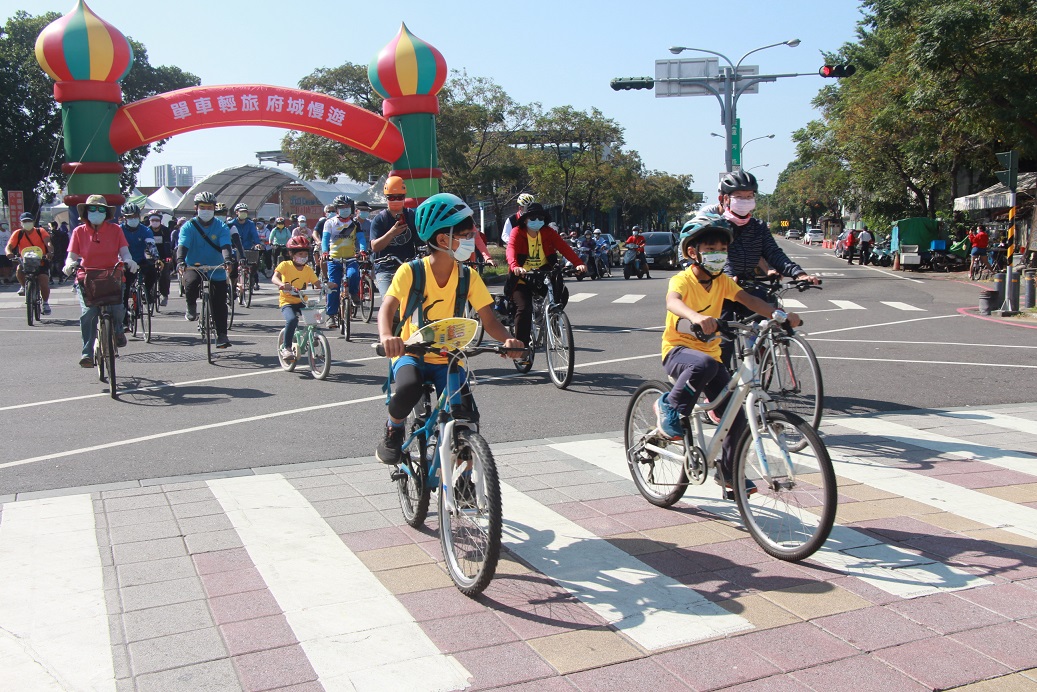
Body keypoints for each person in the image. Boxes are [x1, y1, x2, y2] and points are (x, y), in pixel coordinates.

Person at [655, 213, 802, 498]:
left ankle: (728, 471)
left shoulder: (722, 281)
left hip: (710, 358)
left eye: (722, 250)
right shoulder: (682, 280)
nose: (718, 256)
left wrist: (779, 315)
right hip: (678, 351)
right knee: (706, 363)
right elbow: (673, 302)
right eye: (710, 251)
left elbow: (749, 300)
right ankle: (669, 406)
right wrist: (696, 317)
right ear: (692, 252)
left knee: (736, 418)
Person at [375, 193, 524, 465]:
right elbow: (387, 309)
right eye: (466, 234)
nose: (472, 240)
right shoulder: (410, 272)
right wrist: (387, 336)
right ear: (443, 240)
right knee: (408, 387)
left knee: (465, 416)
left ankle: (464, 480)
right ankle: (393, 428)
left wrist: (509, 340)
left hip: (450, 357)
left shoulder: (469, 276)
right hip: (411, 353)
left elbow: (489, 320)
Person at [702, 170, 817, 368]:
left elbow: (774, 253)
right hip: (722, 287)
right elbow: (722, 256)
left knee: (772, 318)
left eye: (749, 196)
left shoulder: (758, 227)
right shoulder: (716, 226)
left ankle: (760, 360)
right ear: (724, 199)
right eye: (739, 197)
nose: (745, 201)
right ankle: (718, 386)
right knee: (723, 340)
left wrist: (799, 273)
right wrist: (728, 276)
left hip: (748, 284)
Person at [505, 202, 585, 364]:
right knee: (524, 308)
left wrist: (578, 263)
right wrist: (515, 267)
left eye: (540, 218)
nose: (537, 221)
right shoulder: (517, 232)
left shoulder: (548, 232)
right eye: (533, 218)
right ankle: (521, 350)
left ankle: (553, 318)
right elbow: (511, 250)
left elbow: (564, 248)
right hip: (522, 278)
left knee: (562, 293)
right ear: (525, 220)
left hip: (543, 275)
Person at [63, 195, 136, 366]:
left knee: (118, 308)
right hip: (87, 278)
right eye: (93, 209)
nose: (97, 212)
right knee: (89, 313)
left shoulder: (116, 230)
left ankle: (118, 330)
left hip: (112, 276)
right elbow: (71, 256)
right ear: (86, 212)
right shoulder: (78, 232)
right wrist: (69, 264)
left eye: (101, 209)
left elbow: (125, 252)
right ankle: (87, 352)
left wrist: (129, 260)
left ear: (107, 212)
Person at [177, 191, 234, 349]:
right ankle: (191, 306)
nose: (206, 210)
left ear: (214, 208)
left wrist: (227, 260)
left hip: (216, 267)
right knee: (191, 283)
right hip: (193, 266)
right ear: (196, 208)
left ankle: (222, 335)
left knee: (220, 302)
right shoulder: (188, 226)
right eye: (203, 207)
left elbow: (225, 246)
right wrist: (180, 261)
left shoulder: (221, 226)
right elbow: (183, 245)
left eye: (210, 207)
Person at [273, 236, 321, 363]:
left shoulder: (308, 269)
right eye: (300, 254)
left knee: (316, 315)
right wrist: (281, 284)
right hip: (287, 302)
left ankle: (314, 335)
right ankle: (286, 347)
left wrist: (326, 286)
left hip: (302, 302)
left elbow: (317, 283)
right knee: (292, 319)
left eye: (306, 254)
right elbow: (274, 278)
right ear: (291, 254)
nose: (304, 256)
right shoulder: (285, 265)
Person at [369, 176, 419, 296]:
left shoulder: (412, 216)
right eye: (391, 197)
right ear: (386, 198)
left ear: (404, 197)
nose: (395, 200)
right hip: (385, 268)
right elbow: (375, 247)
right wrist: (392, 233)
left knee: (418, 299)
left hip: (408, 266)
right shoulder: (380, 219)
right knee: (389, 303)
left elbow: (421, 242)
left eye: (399, 197)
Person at [322, 195, 363, 329]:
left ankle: (353, 293)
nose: (344, 210)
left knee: (353, 275)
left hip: (351, 258)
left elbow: (361, 239)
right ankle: (331, 315)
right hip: (334, 259)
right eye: (341, 207)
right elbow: (325, 239)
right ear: (337, 209)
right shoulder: (330, 223)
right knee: (333, 286)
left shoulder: (355, 223)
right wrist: (324, 252)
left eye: (346, 207)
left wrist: (363, 250)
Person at [119, 203, 158, 330]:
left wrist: (157, 258)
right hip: (125, 262)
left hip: (140, 260)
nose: (133, 219)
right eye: (129, 217)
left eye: (135, 216)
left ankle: (146, 292)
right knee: (123, 291)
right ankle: (124, 321)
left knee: (153, 271)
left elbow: (151, 246)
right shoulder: (119, 230)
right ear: (124, 217)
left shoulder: (145, 230)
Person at [6, 212, 54, 314]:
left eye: (29, 221)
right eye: (25, 221)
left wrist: (50, 252)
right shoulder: (18, 233)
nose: (27, 223)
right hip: (25, 261)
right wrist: (9, 253)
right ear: (21, 223)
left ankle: (45, 303)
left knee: (43, 281)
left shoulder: (40, 231)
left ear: (33, 222)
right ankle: (24, 287)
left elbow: (48, 242)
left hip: (41, 260)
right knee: (19, 270)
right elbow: (9, 246)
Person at [227, 203, 261, 290]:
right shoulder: (231, 224)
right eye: (241, 211)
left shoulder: (250, 224)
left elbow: (254, 235)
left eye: (245, 211)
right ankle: (233, 285)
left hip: (248, 248)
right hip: (235, 249)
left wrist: (257, 244)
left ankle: (252, 279)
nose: (243, 213)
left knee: (255, 263)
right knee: (233, 266)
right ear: (236, 212)